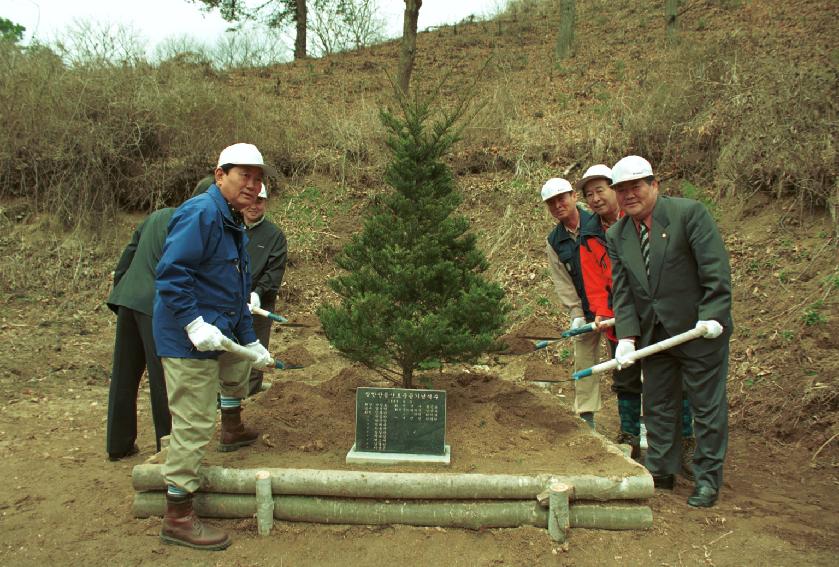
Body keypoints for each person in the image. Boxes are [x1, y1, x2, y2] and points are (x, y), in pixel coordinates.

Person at [153, 143, 275, 550]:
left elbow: (236, 292)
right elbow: (171, 275)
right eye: (244, 175)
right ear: (220, 174)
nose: (253, 185)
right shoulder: (202, 214)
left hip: (218, 330)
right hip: (187, 339)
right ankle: (178, 515)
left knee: (232, 383)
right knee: (194, 421)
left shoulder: (234, 222)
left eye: (258, 179)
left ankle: (210, 445)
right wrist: (191, 322)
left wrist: (252, 341)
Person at [606, 155, 732, 508]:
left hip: (700, 331)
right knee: (658, 404)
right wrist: (627, 336)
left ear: (654, 185)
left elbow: (714, 270)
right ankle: (661, 469)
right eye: (622, 190)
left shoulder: (688, 214)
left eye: (636, 187)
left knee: (706, 408)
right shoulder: (617, 234)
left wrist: (712, 315)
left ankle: (707, 479)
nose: (629, 195)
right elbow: (623, 290)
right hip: (654, 335)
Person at [578, 164, 697, 469]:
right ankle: (630, 434)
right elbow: (594, 280)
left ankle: (685, 439)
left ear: (615, 190)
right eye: (589, 194)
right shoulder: (589, 234)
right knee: (626, 377)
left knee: (674, 377)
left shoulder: (643, 219)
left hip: (659, 314)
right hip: (622, 317)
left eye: (600, 190)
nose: (595, 199)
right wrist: (604, 313)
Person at [194, 176, 288, 396]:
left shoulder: (274, 235)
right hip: (226, 302)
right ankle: (225, 398)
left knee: (254, 352)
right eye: (252, 200)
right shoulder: (231, 227)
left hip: (257, 306)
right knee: (225, 350)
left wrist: (257, 293)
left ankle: (252, 397)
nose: (255, 206)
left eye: (260, 201)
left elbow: (274, 272)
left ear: (266, 203)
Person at [105, 208, 175, 460]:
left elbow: (128, 255)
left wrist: (123, 291)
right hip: (156, 305)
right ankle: (166, 446)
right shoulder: (192, 222)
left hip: (129, 298)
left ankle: (118, 444)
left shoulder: (157, 216)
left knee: (124, 373)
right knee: (164, 377)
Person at [542, 177, 600, 429]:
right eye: (551, 203)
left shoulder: (598, 222)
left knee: (629, 361)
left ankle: (640, 420)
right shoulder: (554, 241)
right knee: (584, 359)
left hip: (614, 309)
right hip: (585, 311)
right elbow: (562, 281)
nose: (558, 205)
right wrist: (576, 312)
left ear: (574, 197)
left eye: (561, 198)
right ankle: (587, 416)